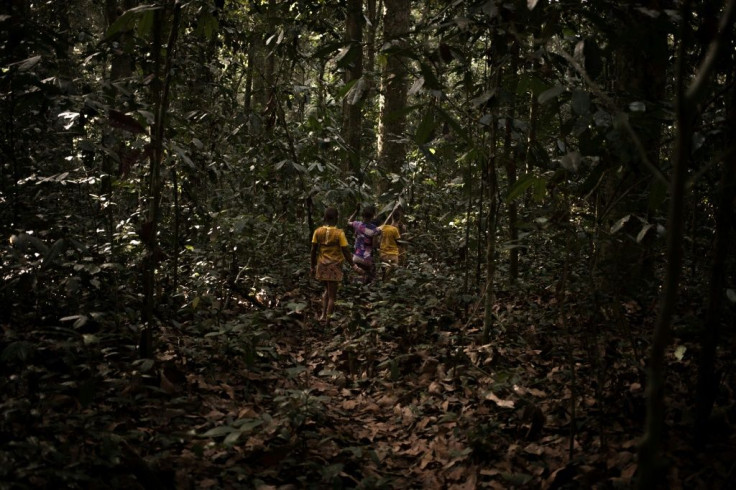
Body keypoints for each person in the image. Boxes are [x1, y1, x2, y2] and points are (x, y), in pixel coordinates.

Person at [311, 207, 353, 324]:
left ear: (324, 217)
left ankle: (323, 316)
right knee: (332, 296)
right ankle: (328, 321)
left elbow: (313, 250)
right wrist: (353, 265)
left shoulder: (317, 231)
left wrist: (312, 266)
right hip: (334, 266)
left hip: (322, 265)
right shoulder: (339, 233)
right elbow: (346, 251)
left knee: (326, 291)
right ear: (336, 218)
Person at [347, 204, 381, 284]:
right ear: (373, 216)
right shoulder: (375, 229)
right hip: (367, 258)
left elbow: (348, 222)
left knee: (359, 276)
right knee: (370, 277)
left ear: (362, 215)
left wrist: (356, 211)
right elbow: (374, 245)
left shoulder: (357, 224)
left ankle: (356, 286)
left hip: (356, 256)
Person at [379, 210, 402, 280]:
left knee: (384, 273)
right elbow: (398, 241)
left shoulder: (382, 227)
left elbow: (375, 233)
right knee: (392, 274)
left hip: (383, 254)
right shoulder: (395, 229)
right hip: (393, 254)